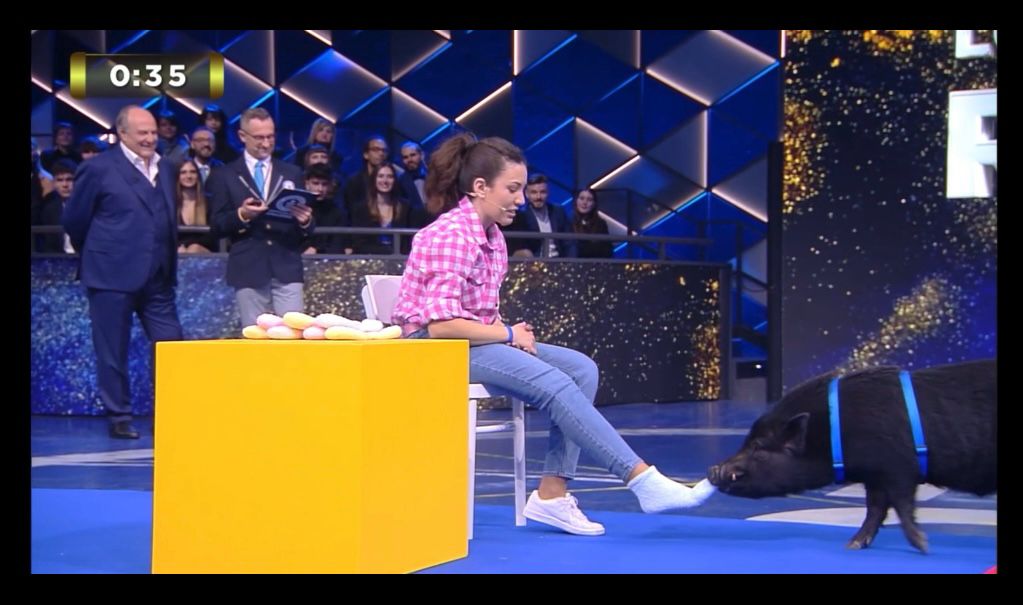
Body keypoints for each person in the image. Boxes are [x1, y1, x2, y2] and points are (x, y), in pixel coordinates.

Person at [391, 133, 714, 536]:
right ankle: (642, 480)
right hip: (432, 348)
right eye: (512, 189)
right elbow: (441, 326)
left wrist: (505, 334)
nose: (521, 200)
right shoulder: (452, 235)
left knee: (581, 369)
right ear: (480, 187)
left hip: (470, 341)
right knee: (554, 382)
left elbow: (476, 312)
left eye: (522, 189)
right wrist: (507, 333)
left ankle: (552, 494)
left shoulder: (492, 236)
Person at [61, 105, 184, 439]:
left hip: (158, 275)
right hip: (110, 273)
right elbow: (75, 220)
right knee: (112, 350)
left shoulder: (166, 167)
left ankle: (169, 413)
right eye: (142, 132)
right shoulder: (98, 168)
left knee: (171, 343)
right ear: (122, 134)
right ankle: (119, 416)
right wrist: (100, 252)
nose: (150, 138)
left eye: (153, 132)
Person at [208, 107, 313, 329]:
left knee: (294, 336)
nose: (266, 143)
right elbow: (216, 225)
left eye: (270, 137)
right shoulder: (224, 175)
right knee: (256, 338)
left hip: (286, 265)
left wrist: (305, 221)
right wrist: (242, 215)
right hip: (249, 268)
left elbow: (309, 226)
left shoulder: (292, 172)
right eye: (259, 138)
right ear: (242, 136)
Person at [505, 173, 574, 258]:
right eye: (534, 192)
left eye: (542, 192)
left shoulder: (558, 211)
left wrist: (571, 262)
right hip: (535, 262)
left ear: (548, 193)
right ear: (527, 194)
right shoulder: (521, 216)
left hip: (558, 260)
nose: (538, 197)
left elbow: (569, 242)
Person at [571, 188, 614, 258]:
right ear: (576, 201)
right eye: (581, 198)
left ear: (594, 204)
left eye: (589, 200)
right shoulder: (568, 222)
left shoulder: (601, 224)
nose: (584, 203)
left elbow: (607, 250)